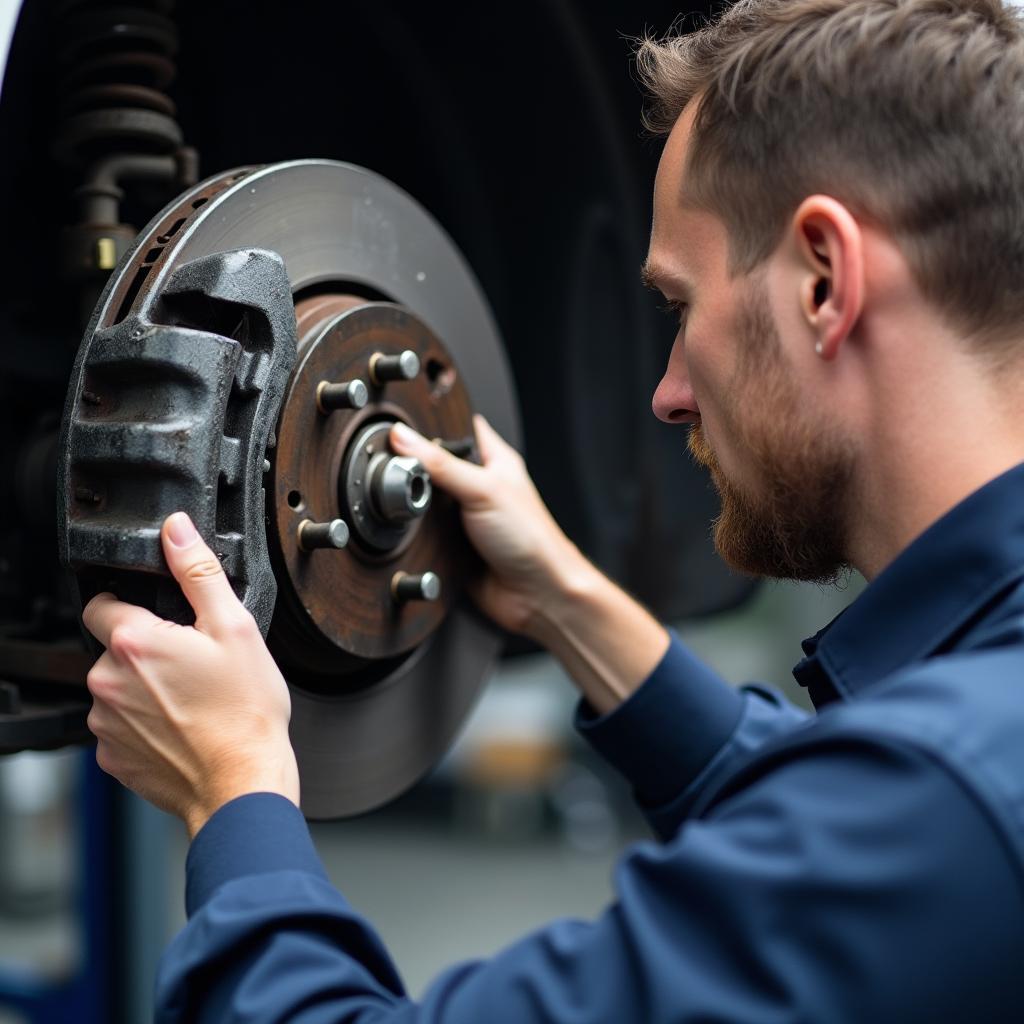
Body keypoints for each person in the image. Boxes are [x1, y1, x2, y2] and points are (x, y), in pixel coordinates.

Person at [82, 0, 1024, 1020]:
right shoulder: (969, 752)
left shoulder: (950, 801)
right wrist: (566, 597)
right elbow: (850, 829)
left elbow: (893, 826)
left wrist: (234, 786)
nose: (665, 392)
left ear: (822, 281)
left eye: (678, 305)